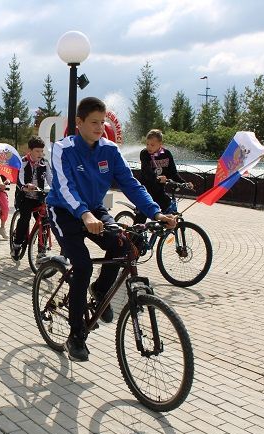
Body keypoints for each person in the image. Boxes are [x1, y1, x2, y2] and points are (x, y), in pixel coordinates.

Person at [46, 97, 176, 362]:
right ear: (79, 123)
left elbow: (131, 184)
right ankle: (76, 336)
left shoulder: (110, 150)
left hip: (94, 209)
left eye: (102, 122)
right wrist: (83, 214)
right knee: (82, 266)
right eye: (94, 122)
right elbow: (64, 187)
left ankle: (100, 289)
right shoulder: (63, 148)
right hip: (65, 211)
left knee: (123, 246)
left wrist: (156, 212)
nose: (99, 127)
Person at [135, 129, 193, 224]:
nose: (149, 147)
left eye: (152, 145)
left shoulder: (167, 154)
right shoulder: (144, 153)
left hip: (159, 192)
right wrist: (157, 178)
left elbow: (173, 173)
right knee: (141, 222)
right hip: (145, 192)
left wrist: (184, 183)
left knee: (169, 213)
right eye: (147, 144)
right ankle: (134, 238)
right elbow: (147, 171)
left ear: (160, 144)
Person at [12, 136, 48, 257]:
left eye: (41, 151)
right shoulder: (23, 162)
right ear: (30, 150)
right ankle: (17, 244)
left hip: (39, 197)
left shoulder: (44, 163)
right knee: (25, 218)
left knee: (45, 220)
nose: (40, 153)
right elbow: (20, 178)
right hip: (25, 197)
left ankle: (41, 249)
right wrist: (25, 186)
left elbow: (51, 179)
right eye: (37, 151)